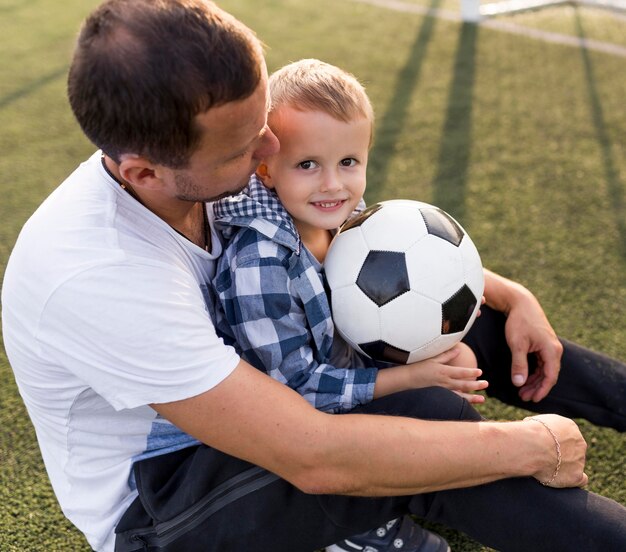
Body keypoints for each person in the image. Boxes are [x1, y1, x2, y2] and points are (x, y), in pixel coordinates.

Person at [1, 1, 625, 552]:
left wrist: (512, 296)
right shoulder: (98, 276)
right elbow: (316, 455)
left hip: (272, 394)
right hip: (167, 498)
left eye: (262, 122)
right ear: (143, 174)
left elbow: (365, 251)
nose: (270, 149)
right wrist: (533, 446)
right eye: (244, 147)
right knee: (425, 418)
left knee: (444, 322)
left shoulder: (206, 159)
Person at [212, 58, 484, 552]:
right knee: (435, 398)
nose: (334, 185)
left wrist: (445, 311)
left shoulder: (348, 218)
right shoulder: (260, 261)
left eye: (349, 162)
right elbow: (296, 389)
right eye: (308, 164)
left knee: (458, 362)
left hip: (346, 367)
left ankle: (425, 481)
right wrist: (409, 377)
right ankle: (354, 526)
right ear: (266, 167)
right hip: (297, 419)